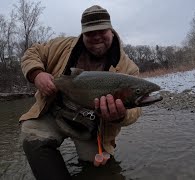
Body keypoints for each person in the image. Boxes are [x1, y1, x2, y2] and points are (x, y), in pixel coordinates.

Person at [19, 5, 142, 180]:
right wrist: (36, 74)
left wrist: (120, 116)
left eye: (102, 30)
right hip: (54, 114)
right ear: (82, 33)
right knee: (31, 135)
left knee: (102, 172)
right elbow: (32, 52)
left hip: (92, 128)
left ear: (111, 30)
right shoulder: (62, 45)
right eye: (90, 32)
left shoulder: (128, 68)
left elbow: (136, 111)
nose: (97, 36)